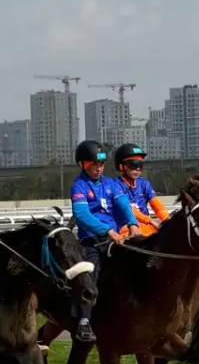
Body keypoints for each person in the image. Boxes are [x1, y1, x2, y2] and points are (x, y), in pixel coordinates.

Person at [69, 140, 139, 343]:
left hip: (116, 240)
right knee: (90, 276)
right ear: (82, 164)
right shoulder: (79, 186)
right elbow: (82, 215)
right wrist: (108, 231)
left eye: (101, 164)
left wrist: (132, 223)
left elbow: (123, 204)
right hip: (92, 242)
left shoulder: (111, 184)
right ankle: (84, 321)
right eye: (93, 164)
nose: (98, 168)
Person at [113, 143, 169, 236]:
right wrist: (150, 220)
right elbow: (128, 210)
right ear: (121, 166)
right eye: (134, 164)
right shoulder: (115, 185)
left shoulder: (144, 183)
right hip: (127, 228)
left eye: (141, 164)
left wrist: (167, 221)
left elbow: (157, 206)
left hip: (148, 227)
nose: (138, 168)